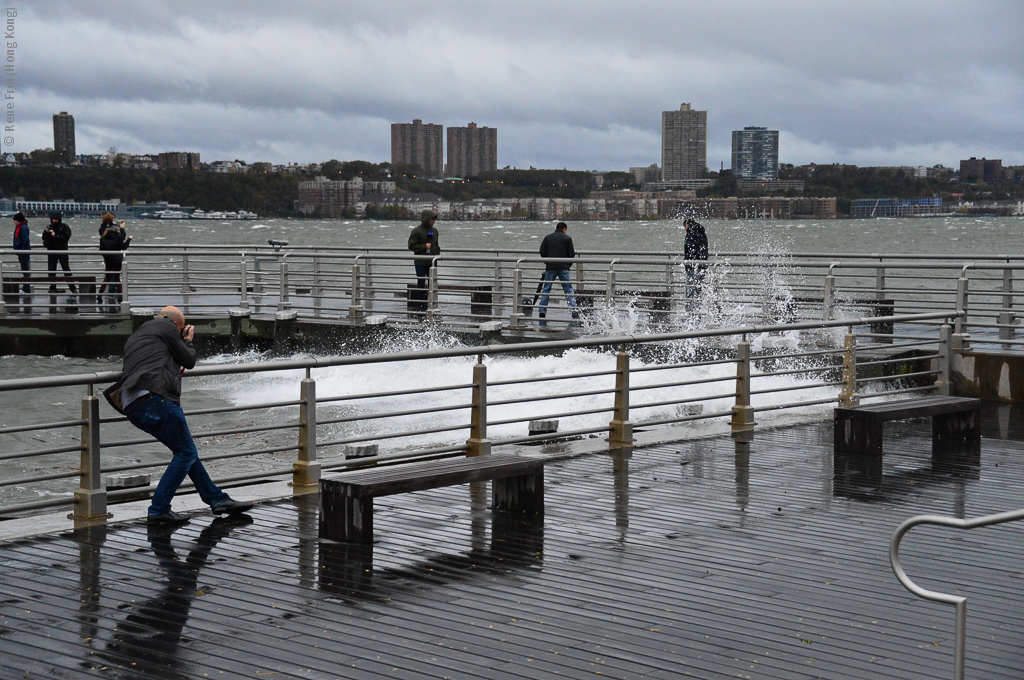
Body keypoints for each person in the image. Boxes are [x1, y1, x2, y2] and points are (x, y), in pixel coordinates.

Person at [103, 306, 253, 524]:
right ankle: (159, 509)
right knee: (185, 452)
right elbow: (188, 360)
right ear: (175, 324)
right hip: (155, 399)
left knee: (186, 451)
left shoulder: (140, 334)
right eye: (181, 328)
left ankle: (217, 499)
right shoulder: (166, 326)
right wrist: (188, 339)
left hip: (132, 404)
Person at [537, 222, 579, 327]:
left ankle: (542, 311)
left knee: (546, 288)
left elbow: (542, 251)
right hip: (564, 267)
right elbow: (571, 254)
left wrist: (548, 262)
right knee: (568, 289)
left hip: (551, 267)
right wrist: (567, 265)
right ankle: (574, 311)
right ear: (564, 229)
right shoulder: (568, 239)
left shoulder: (548, 238)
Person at [407, 210, 441, 313]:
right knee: (421, 283)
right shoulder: (416, 231)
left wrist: (438, 254)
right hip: (420, 262)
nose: (433, 221)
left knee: (433, 283)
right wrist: (424, 247)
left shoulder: (434, 231)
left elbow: (436, 245)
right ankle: (421, 305)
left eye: (434, 219)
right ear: (427, 219)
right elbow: (411, 246)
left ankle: (432, 304)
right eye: (432, 219)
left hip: (432, 261)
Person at [42, 210, 77, 306]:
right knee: (51, 270)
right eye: (53, 219)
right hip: (51, 251)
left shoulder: (64, 227)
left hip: (62, 251)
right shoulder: (49, 227)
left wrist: (55, 235)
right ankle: (52, 287)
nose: (54, 221)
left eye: (56, 219)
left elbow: (66, 237)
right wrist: (47, 233)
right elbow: (43, 237)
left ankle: (73, 288)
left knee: (66, 269)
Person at [98, 213, 132, 310]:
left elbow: (101, 249)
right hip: (117, 259)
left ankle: (99, 295)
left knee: (107, 278)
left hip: (108, 260)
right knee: (117, 278)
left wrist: (105, 257)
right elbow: (123, 246)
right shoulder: (118, 236)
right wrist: (129, 239)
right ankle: (121, 296)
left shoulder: (103, 236)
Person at [9, 212, 31, 313]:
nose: (14, 222)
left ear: (19, 220)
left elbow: (25, 240)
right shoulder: (20, 227)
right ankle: (25, 288)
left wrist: (22, 251)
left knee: (26, 270)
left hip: (23, 252)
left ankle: (26, 289)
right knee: (24, 270)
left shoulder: (23, 228)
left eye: (15, 220)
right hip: (21, 252)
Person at [683, 216, 709, 300]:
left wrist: (687, 264)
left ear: (687, 225)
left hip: (693, 265)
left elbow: (690, 250)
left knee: (691, 289)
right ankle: (698, 308)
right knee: (698, 288)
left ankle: (691, 310)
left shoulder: (691, 233)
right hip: (702, 263)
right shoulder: (700, 231)